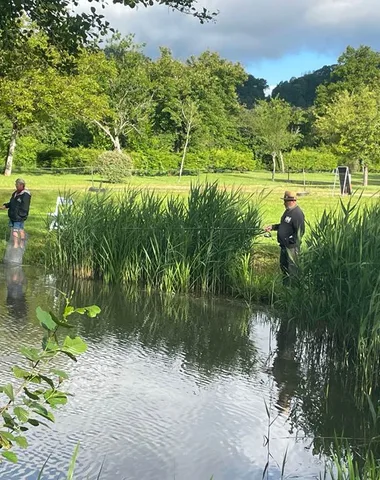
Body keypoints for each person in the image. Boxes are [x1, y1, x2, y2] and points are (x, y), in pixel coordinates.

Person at [265, 191, 305, 284]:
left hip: (292, 248)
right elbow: (284, 225)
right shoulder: (288, 212)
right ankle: (285, 288)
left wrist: (290, 240)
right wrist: (273, 227)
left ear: (292, 201)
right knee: (284, 268)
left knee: (293, 270)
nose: (284, 203)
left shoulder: (297, 214)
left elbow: (301, 231)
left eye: (286, 201)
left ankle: (293, 289)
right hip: (283, 246)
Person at [1, 178, 31, 249]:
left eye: (17, 185)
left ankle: (15, 245)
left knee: (15, 231)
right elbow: (12, 203)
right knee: (20, 229)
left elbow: (25, 207)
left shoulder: (25, 195)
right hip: (13, 215)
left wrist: (21, 216)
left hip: (18, 216)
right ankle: (21, 243)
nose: (16, 186)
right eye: (15, 184)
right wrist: (5, 206)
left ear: (21, 185)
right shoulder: (15, 193)